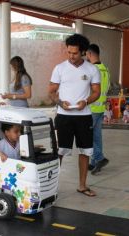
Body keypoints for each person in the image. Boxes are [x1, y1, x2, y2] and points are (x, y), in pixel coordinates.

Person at [48, 34, 101, 197]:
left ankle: (82, 186)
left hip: (84, 117)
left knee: (85, 151)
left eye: (75, 53)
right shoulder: (59, 68)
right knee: (60, 151)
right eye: (69, 52)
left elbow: (97, 92)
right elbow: (51, 91)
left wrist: (85, 101)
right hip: (63, 117)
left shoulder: (92, 69)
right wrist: (59, 102)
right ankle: (51, 188)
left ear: (83, 52)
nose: (71, 56)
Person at [86, 44, 110, 175]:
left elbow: (88, 89)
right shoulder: (105, 69)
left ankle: (99, 158)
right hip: (101, 108)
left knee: (87, 136)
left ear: (89, 54)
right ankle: (94, 162)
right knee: (96, 136)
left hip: (92, 108)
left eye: (86, 55)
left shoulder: (93, 69)